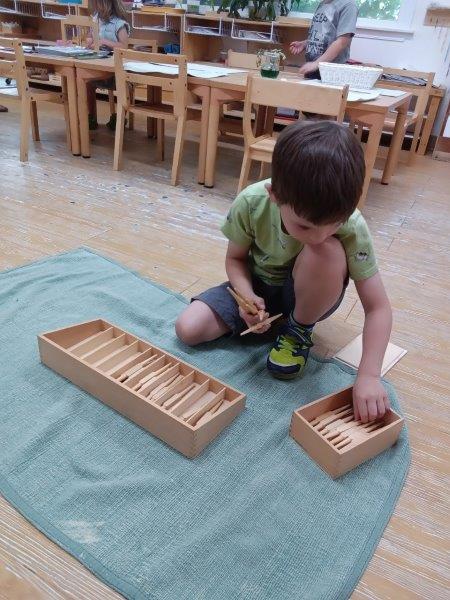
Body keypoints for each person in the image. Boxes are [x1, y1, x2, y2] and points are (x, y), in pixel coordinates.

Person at [175, 121, 392, 424]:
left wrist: (369, 376)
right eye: (304, 226)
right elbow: (235, 260)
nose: (319, 234)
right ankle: (277, 325)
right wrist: (246, 298)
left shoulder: (352, 225)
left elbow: (378, 307)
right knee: (188, 329)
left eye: (334, 225)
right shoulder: (252, 202)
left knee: (325, 251)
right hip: (258, 286)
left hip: (308, 291)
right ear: (274, 195)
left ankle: (297, 329)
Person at [86, 0, 130, 130]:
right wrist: (90, 41)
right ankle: (90, 116)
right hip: (100, 65)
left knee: (123, 85)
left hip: (115, 70)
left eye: (98, 5)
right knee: (86, 81)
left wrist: (104, 42)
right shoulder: (96, 20)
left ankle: (120, 117)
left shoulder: (119, 24)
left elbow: (124, 47)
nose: (96, 8)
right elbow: (90, 38)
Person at [290, 0, 358, 78]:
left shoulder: (349, 5)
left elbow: (342, 42)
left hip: (330, 72)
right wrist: (305, 43)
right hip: (313, 69)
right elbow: (323, 35)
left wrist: (317, 63)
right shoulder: (323, 4)